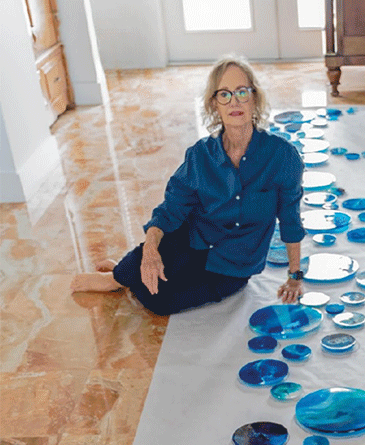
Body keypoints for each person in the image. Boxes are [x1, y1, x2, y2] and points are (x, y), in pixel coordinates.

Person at [70, 56, 305, 314]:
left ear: (255, 98)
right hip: (192, 239)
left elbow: (290, 219)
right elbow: (171, 208)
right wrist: (150, 251)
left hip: (235, 266)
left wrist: (295, 276)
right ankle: (117, 278)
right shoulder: (200, 154)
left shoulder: (282, 156)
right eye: (224, 94)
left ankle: (125, 275)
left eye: (242, 92)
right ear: (214, 104)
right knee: (148, 259)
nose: (234, 102)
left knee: (159, 303)